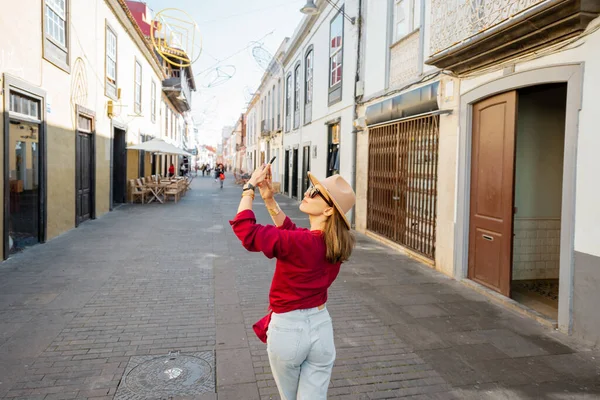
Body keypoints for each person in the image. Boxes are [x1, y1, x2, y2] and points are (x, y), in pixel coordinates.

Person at [230, 164, 356, 400]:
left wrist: (249, 189)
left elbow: (246, 231)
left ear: (329, 211)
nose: (308, 193)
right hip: (321, 328)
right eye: (310, 188)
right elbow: (291, 232)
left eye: (316, 192)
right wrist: (269, 200)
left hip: (289, 330)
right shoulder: (333, 243)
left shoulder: (302, 243)